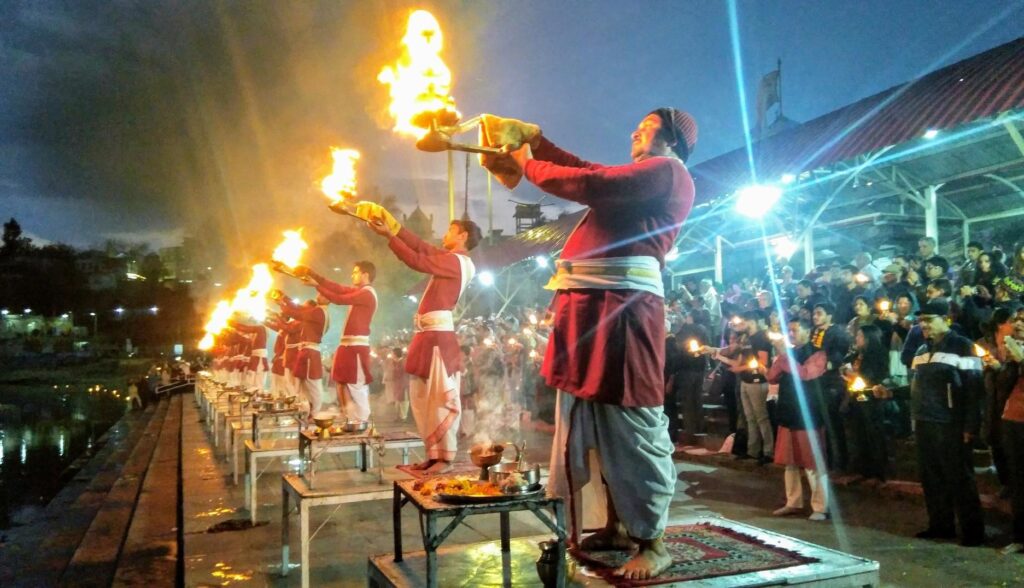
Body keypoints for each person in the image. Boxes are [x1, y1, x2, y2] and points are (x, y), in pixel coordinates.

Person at [488, 107, 697, 580]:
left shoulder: (666, 173)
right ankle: (618, 525)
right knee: (595, 424)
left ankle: (654, 542)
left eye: (645, 127)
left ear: (673, 140)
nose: (633, 131)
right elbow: (593, 173)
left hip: (624, 311)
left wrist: (528, 162)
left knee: (629, 423)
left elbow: (593, 185)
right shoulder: (647, 173)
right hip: (592, 308)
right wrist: (539, 144)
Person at [344, 201, 479, 474]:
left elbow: (417, 259)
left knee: (439, 398)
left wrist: (389, 237)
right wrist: (392, 227)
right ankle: (433, 453)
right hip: (426, 335)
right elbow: (421, 247)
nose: (445, 233)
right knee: (420, 397)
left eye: (451, 230)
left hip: (439, 337)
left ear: (463, 236)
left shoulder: (458, 262)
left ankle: (445, 457)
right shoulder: (449, 258)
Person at [910, 300, 985, 546]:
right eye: (921, 321)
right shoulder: (921, 350)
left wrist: (970, 426)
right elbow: (915, 386)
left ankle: (973, 532)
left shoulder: (963, 346)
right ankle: (940, 526)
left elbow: (975, 389)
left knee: (959, 478)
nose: (924, 325)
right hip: (924, 421)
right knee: (931, 477)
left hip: (950, 423)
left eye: (929, 320)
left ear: (947, 319)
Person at [768, 318, 830, 520]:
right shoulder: (788, 354)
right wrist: (782, 356)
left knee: (812, 462)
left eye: (795, 330)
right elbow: (771, 376)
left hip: (808, 415)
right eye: (789, 330)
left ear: (807, 331)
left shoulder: (818, 353)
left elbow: (804, 373)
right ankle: (793, 502)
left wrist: (784, 356)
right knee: (790, 461)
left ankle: (820, 507)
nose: (791, 334)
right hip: (788, 412)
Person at [302, 262, 378, 424]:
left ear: (366, 274)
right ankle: (350, 417)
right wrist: (313, 274)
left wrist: (317, 286)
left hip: (357, 346)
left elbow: (339, 298)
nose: (352, 275)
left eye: (356, 272)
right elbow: (337, 288)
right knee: (341, 381)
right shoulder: (359, 291)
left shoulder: (367, 293)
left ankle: (362, 421)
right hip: (346, 345)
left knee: (357, 385)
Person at [840, 323, 890, 483]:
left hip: (871, 397)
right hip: (856, 397)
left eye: (860, 336)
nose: (857, 338)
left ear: (870, 338)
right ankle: (863, 469)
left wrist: (853, 374)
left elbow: (872, 376)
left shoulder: (878, 354)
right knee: (859, 433)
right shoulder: (857, 354)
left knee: (873, 434)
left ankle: (879, 472)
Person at [811, 302, 852, 471]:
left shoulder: (837, 334)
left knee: (832, 423)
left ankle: (839, 462)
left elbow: (837, 358)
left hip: (831, 383)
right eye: (814, 313)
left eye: (819, 313)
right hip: (816, 382)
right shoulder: (815, 332)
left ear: (829, 315)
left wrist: (816, 367)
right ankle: (824, 460)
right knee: (819, 422)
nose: (815, 316)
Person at [274, 294, 329, 419]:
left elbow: (297, 312)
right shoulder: (313, 313)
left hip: (310, 351)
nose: (317, 295)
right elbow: (297, 309)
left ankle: (315, 414)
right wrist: (284, 300)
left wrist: (283, 302)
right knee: (302, 384)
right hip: (304, 351)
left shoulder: (319, 312)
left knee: (313, 385)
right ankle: (306, 411)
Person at [999, 311, 1024, 554]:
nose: (1017, 324)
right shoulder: (1012, 352)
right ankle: (1020, 537)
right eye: (1016, 320)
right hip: (1013, 420)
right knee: (1018, 481)